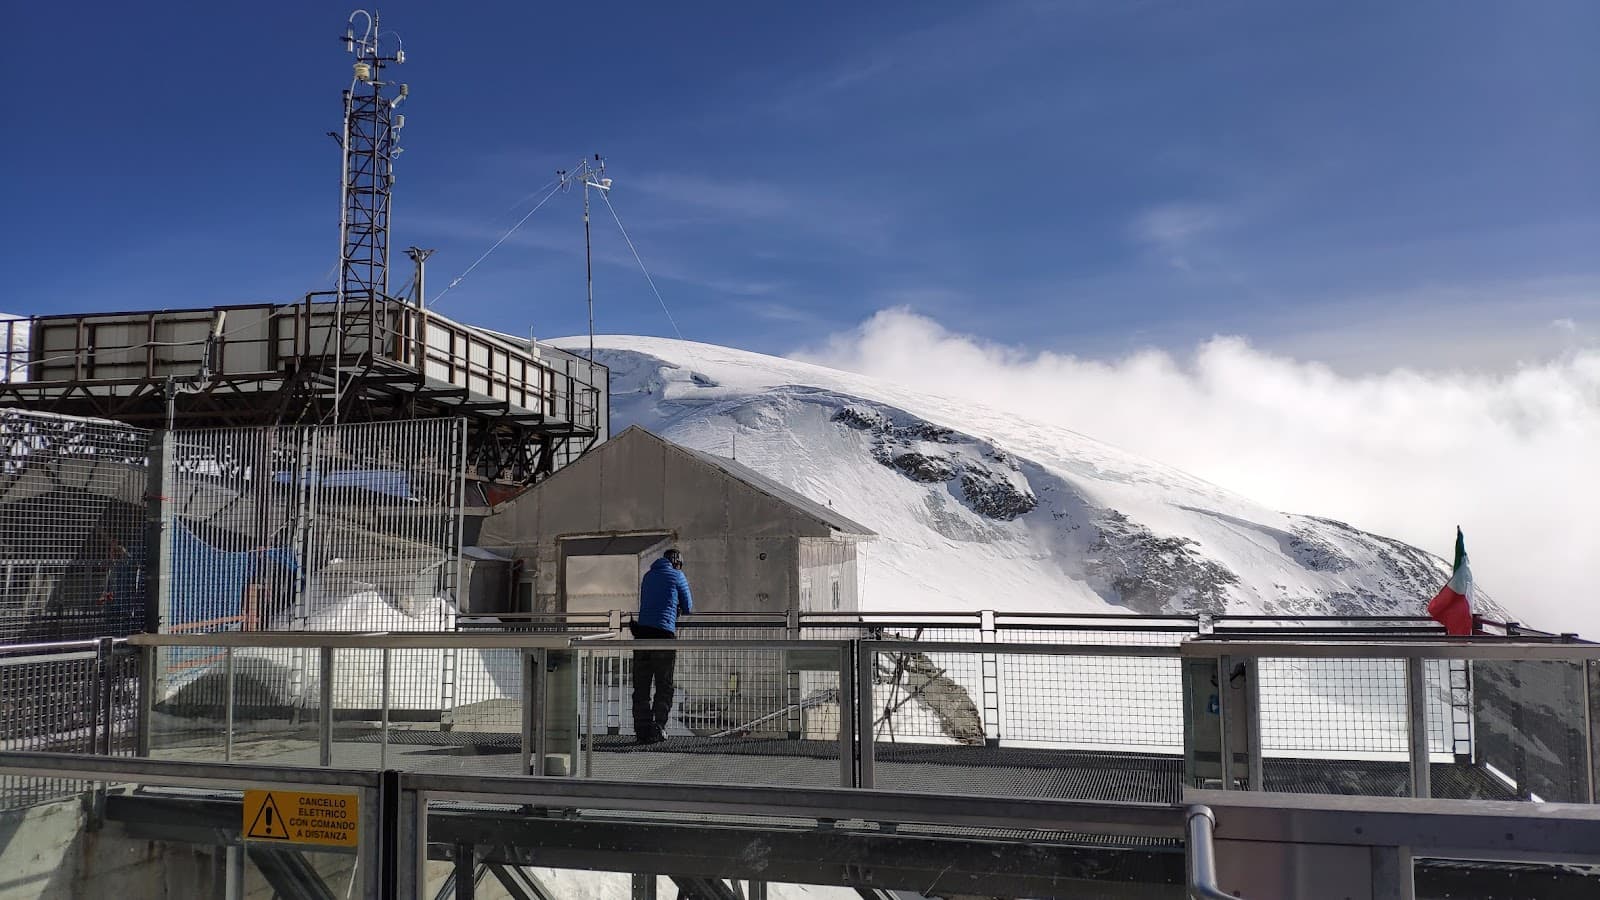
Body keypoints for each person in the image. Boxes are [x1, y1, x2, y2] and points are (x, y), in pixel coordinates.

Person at [632, 548, 693, 744]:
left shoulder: (648, 575)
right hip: (663, 636)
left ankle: (642, 730)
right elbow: (689, 607)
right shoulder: (677, 575)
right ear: (677, 563)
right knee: (664, 685)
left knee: (641, 686)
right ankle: (658, 727)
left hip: (642, 636)